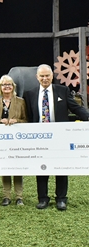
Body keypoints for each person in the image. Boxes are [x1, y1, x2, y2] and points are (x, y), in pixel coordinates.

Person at [24, 64, 89, 211]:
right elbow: (27, 116)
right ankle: (42, 198)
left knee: (61, 167)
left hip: (60, 138)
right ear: (37, 77)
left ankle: (61, 199)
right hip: (39, 138)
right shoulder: (30, 94)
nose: (45, 78)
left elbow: (75, 108)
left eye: (47, 76)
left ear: (52, 76)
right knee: (41, 169)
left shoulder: (63, 91)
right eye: (42, 76)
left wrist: (88, 116)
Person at [0, 75, 27, 206]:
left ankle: (19, 196)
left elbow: (27, 120)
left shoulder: (21, 102)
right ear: (0, 87)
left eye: (9, 84)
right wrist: (0, 121)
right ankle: (6, 196)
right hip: (2, 143)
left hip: (18, 141)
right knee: (5, 168)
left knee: (17, 168)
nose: (7, 87)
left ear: (13, 87)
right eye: (4, 84)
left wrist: (17, 121)